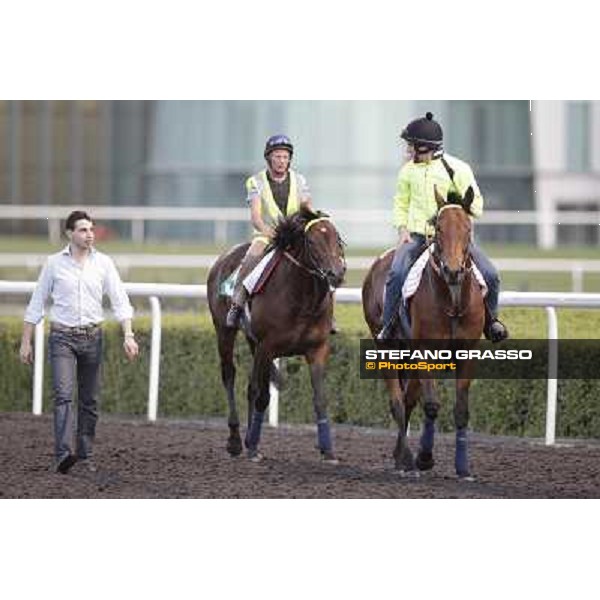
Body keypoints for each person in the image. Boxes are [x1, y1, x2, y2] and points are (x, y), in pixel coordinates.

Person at [19, 210, 139, 474]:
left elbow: (120, 300)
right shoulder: (53, 264)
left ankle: (85, 455)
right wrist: (26, 342)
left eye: (91, 230)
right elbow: (37, 303)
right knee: (63, 396)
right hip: (62, 337)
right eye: (83, 230)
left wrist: (128, 335)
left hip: (92, 338)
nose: (90, 235)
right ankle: (63, 454)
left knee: (90, 400)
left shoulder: (104, 263)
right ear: (69, 234)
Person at [378, 112, 509, 343]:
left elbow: (477, 206)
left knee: (491, 274)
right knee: (396, 273)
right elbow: (401, 202)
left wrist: (458, 207)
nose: (407, 150)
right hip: (419, 237)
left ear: (424, 147)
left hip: (453, 240)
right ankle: (388, 326)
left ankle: (492, 323)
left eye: (411, 145)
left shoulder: (458, 169)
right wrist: (402, 229)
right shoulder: (407, 171)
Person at [225, 134, 315, 328]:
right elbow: (256, 218)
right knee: (251, 257)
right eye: (277, 157)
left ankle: (327, 312)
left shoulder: (300, 180)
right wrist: (273, 234)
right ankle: (237, 305)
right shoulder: (255, 182)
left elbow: (307, 208)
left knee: (321, 260)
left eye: (285, 157)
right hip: (267, 236)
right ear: (269, 158)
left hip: (295, 235)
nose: (282, 161)